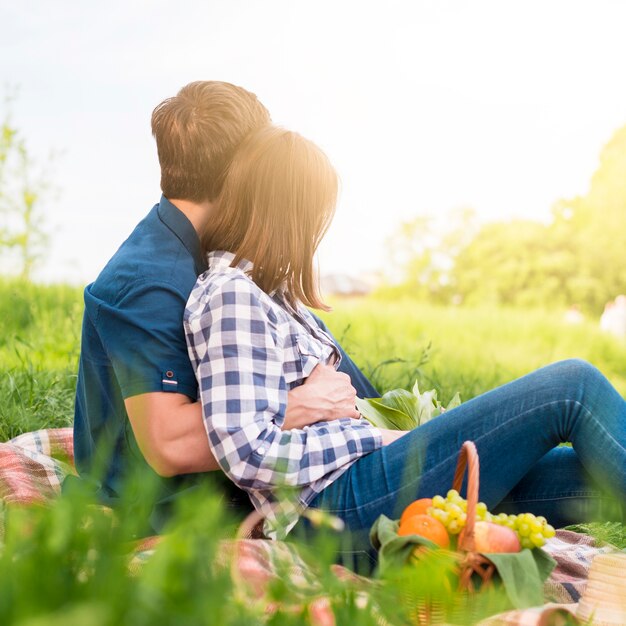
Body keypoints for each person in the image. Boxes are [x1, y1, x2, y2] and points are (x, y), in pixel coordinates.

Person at [185, 124, 625, 569]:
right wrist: (373, 436)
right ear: (290, 214)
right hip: (334, 512)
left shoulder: (272, 297)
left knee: (584, 470)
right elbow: (247, 453)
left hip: (364, 488)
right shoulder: (231, 294)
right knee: (574, 387)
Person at [71, 81, 375, 532]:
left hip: (234, 487)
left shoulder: (223, 258)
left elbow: (343, 386)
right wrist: (302, 405)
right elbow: (168, 445)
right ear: (243, 167)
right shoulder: (148, 280)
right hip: (168, 508)